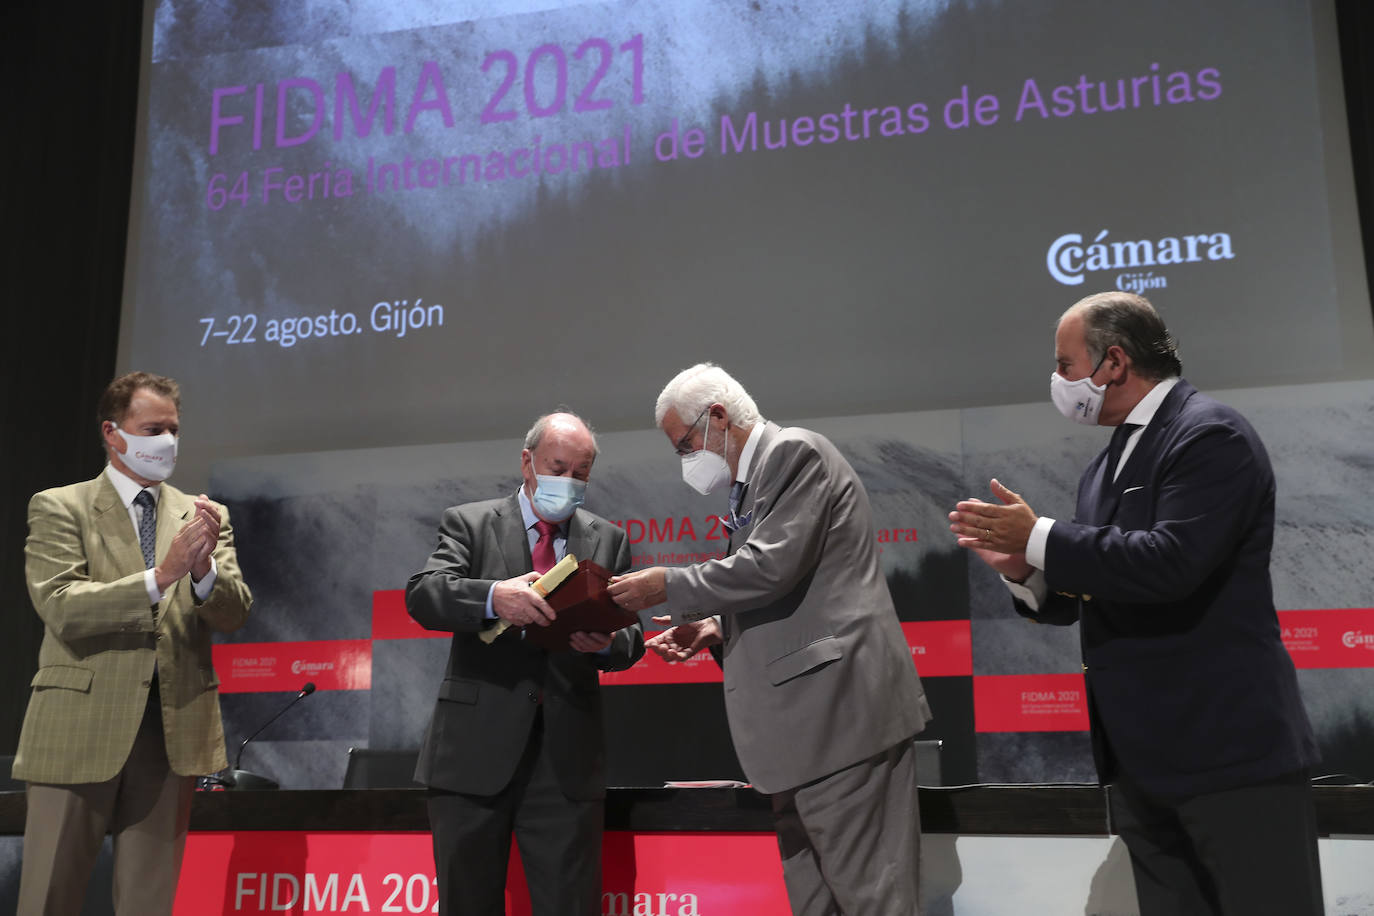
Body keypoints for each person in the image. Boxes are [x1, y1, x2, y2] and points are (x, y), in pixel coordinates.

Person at [948, 291, 1323, 915]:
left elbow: (1169, 564)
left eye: (1065, 366)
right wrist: (1027, 571)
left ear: (1114, 363)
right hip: (1144, 766)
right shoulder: (1104, 465)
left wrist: (1039, 535)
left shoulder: (1210, 434)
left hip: (1229, 758)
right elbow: (1095, 588)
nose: (1059, 381)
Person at [609, 363, 930, 915]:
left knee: (874, 901)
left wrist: (668, 585)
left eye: (685, 445)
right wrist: (714, 628)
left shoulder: (794, 453)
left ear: (717, 418)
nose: (685, 460)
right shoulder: (748, 489)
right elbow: (785, 592)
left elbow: (769, 568)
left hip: (839, 723)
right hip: (800, 740)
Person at [15, 371, 253, 915]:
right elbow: (62, 606)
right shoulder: (60, 506)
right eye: (153, 429)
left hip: (170, 732)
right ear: (113, 433)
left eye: (174, 429)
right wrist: (161, 576)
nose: (167, 442)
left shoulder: (203, 516)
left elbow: (235, 611)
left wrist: (202, 575)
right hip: (78, 726)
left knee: (149, 902)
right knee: (49, 896)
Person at [406, 411, 644, 916]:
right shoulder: (469, 523)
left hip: (565, 764)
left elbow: (632, 637)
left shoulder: (608, 539)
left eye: (581, 474)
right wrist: (494, 598)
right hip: (472, 757)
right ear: (528, 461)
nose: (569, 481)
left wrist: (603, 643)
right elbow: (424, 596)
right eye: (559, 467)